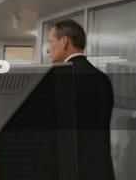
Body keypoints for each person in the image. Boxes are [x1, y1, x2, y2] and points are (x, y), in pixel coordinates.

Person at [47, 19, 115, 180]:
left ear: (64, 42)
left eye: (50, 41)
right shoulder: (103, 79)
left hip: (70, 172)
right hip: (101, 171)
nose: (48, 49)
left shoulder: (60, 79)